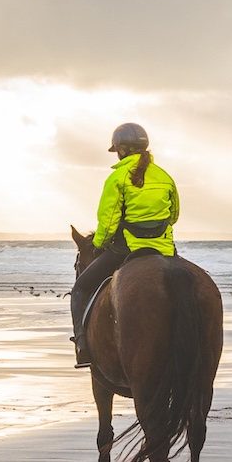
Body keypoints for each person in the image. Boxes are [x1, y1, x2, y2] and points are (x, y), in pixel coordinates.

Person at [70, 122, 180, 368]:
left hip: (126, 250)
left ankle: (83, 347)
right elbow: (174, 216)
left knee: (80, 288)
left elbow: (108, 223)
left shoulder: (117, 178)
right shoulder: (165, 176)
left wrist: (99, 244)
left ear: (120, 150)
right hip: (165, 249)